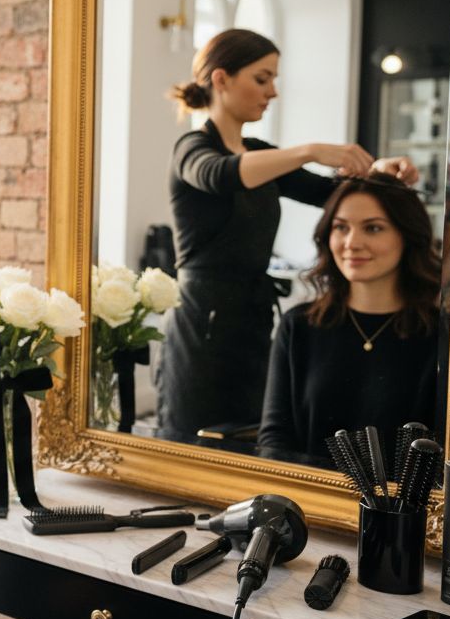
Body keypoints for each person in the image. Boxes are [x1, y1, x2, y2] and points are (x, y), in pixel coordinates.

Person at [154, 28, 418, 441]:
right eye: (262, 79)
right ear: (221, 79)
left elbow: (330, 193)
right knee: (194, 438)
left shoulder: (260, 151)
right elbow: (220, 175)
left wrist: (378, 171)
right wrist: (310, 150)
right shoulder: (192, 147)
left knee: (250, 435)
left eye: (273, 80)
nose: (272, 92)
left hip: (255, 319)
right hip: (201, 325)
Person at [258, 174, 440, 459]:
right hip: (307, 487)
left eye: (373, 228)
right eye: (341, 227)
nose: (352, 243)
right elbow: (275, 437)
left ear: (408, 236)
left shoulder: (441, 335)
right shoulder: (297, 326)